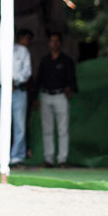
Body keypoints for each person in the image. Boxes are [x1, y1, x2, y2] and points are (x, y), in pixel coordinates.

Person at [35, 32, 77, 168]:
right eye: (52, 41)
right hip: (46, 95)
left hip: (60, 95)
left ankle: (62, 159)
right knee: (47, 129)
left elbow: (72, 79)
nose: (54, 44)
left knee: (62, 129)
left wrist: (70, 89)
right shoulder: (45, 61)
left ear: (61, 43)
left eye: (56, 41)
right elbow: (38, 80)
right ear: (49, 44)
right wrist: (35, 98)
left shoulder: (66, 60)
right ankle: (49, 158)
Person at [10, 28, 33, 167]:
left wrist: (14, 80)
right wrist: (6, 82)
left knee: (20, 125)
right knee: (3, 124)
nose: (28, 42)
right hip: (2, 90)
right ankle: (3, 156)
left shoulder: (23, 51)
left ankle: (17, 157)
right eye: (27, 39)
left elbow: (27, 72)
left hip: (19, 90)